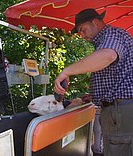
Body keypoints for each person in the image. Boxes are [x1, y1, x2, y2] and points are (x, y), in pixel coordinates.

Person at [54, 8, 133, 156]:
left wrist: (67, 71)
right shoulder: (107, 40)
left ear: (95, 22)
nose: (82, 36)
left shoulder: (112, 34)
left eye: (83, 30)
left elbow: (107, 56)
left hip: (122, 110)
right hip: (118, 108)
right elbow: (117, 75)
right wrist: (96, 96)